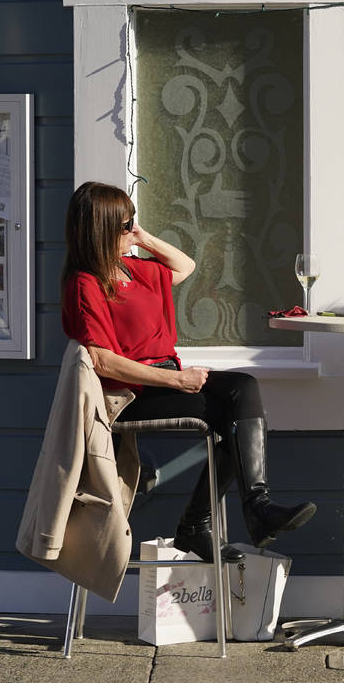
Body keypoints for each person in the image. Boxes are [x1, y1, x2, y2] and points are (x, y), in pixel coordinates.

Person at [60, 181, 316, 563]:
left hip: (164, 377)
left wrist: (140, 235)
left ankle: (255, 506)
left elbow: (185, 266)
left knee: (243, 388)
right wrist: (177, 380)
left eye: (133, 222)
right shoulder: (85, 284)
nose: (132, 230)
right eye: (125, 225)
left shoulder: (132, 267)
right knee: (229, 416)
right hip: (132, 394)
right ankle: (203, 523)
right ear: (101, 230)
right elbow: (103, 361)